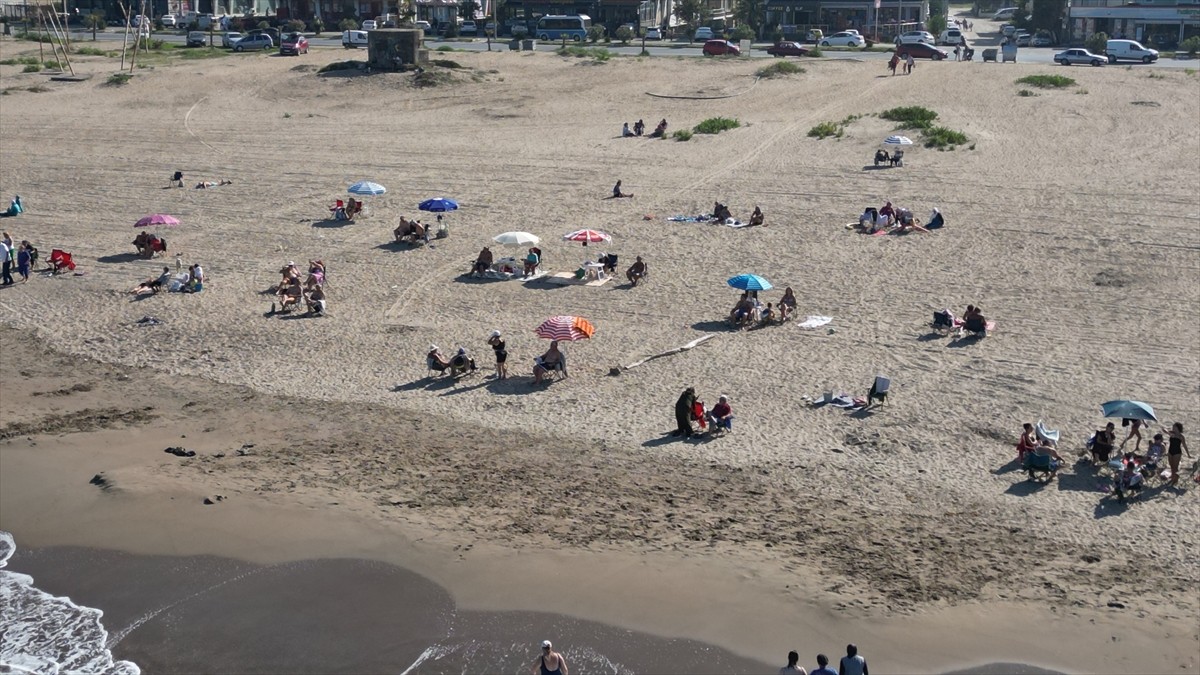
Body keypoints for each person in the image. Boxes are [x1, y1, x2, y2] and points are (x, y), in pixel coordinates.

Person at [1163, 422, 1189, 486]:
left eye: (1174, 427)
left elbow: (1184, 445)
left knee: (1175, 467)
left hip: (1177, 453)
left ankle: (1175, 479)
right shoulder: (1171, 433)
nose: (1173, 427)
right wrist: (1168, 431)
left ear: (1178, 428)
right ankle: (1172, 476)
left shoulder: (1181, 436)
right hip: (1170, 451)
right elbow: (1163, 429)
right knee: (1171, 466)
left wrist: (1188, 454)